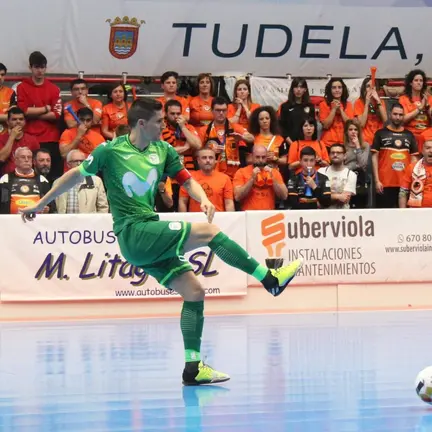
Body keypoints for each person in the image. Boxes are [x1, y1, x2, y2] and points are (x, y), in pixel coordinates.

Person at [19, 99, 303, 386]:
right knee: (210, 233)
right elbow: (72, 178)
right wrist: (41, 204)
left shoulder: (163, 149)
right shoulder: (111, 150)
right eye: (158, 122)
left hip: (149, 234)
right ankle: (269, 279)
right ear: (141, 124)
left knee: (194, 292)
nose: (164, 127)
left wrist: (203, 198)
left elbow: (186, 179)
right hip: (134, 231)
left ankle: (193, 368)